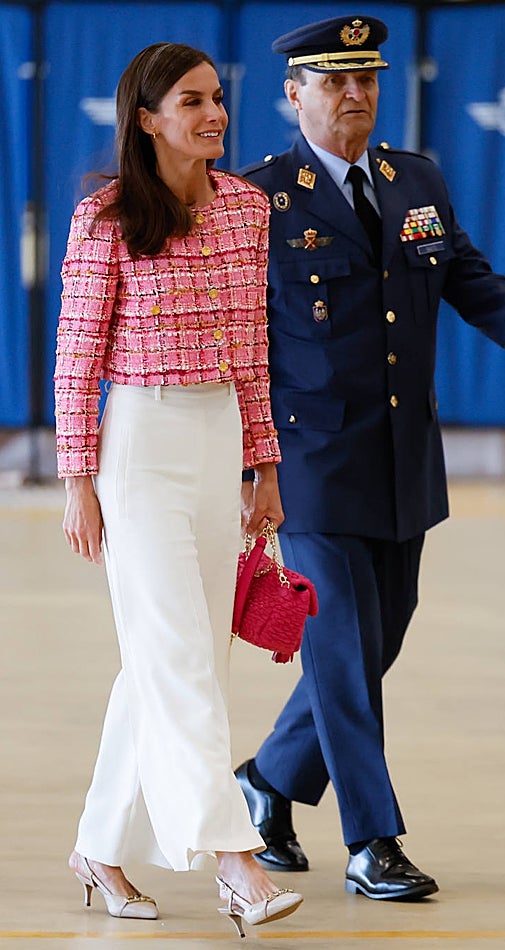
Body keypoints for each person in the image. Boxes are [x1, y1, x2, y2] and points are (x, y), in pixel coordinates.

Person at [234, 14, 505, 902]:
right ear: (293, 94)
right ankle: (373, 841)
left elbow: (465, 273)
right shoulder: (255, 200)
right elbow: (237, 339)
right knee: (343, 652)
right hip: (310, 460)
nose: (354, 95)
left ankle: (267, 782)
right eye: (332, 81)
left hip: (401, 455)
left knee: (379, 635)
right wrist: (249, 461)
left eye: (367, 80)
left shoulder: (414, 179)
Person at [54, 42, 303, 937]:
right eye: (191, 102)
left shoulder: (245, 208)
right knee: (178, 658)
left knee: (172, 658)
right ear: (148, 117)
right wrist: (77, 480)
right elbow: (77, 360)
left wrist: (264, 466)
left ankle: (98, 846)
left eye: (218, 100)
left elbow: (254, 346)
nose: (214, 115)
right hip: (139, 444)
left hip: (219, 436)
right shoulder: (105, 216)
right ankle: (236, 863)